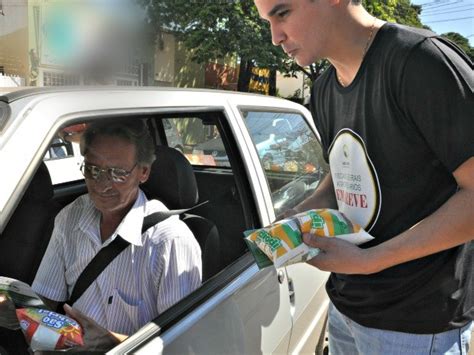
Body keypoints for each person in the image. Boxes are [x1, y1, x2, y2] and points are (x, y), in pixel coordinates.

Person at [254, 0, 473, 354]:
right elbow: (342, 173)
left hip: (415, 327)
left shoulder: (420, 61)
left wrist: (370, 261)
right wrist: (306, 210)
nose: (275, 37)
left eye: (282, 14)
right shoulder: (324, 88)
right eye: (267, 21)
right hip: (345, 309)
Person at [32, 119, 202, 351]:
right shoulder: (70, 218)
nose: (103, 185)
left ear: (143, 172)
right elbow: (44, 300)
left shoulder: (170, 241)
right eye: (93, 170)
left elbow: (181, 345)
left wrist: (109, 342)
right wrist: (18, 312)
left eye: (118, 173)